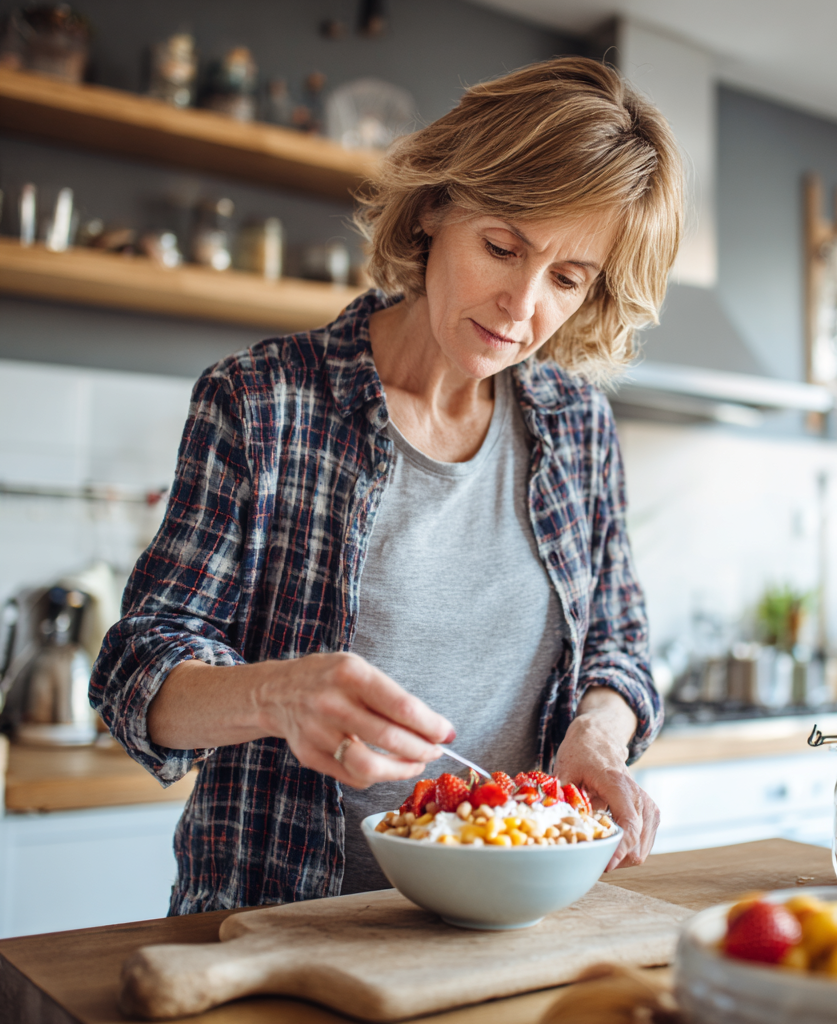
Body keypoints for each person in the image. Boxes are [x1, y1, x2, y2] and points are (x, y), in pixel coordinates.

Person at [90, 55, 683, 913]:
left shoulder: (577, 426)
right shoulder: (261, 402)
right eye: (502, 246)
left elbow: (618, 646)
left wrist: (598, 734)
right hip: (282, 918)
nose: (521, 307)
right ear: (437, 207)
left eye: (566, 278)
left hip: (510, 913)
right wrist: (277, 693)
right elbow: (136, 667)